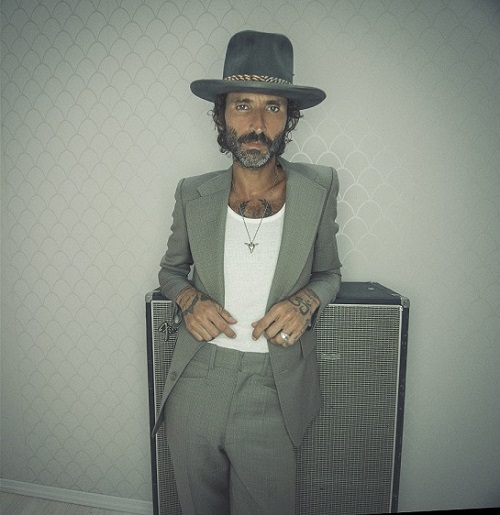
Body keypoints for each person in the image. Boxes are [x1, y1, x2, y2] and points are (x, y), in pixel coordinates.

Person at [153, 30, 342, 515]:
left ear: (288, 117)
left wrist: (305, 303)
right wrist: (190, 301)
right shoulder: (192, 192)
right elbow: (171, 271)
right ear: (221, 115)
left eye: (272, 107)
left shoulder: (318, 188)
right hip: (197, 377)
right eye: (242, 106)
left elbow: (329, 273)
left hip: (274, 383)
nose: (257, 123)